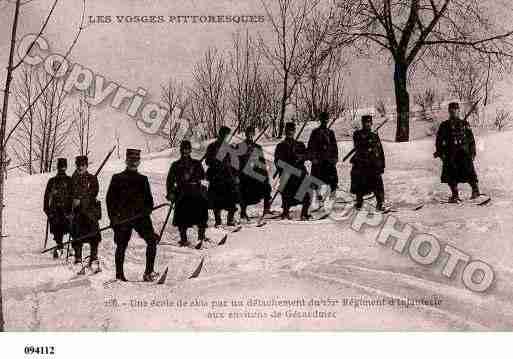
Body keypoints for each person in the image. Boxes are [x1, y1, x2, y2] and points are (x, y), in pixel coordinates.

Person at [106, 149, 160, 282]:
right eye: (131, 160)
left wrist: (147, 210)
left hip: (140, 217)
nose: (133, 163)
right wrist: (113, 219)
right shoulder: (117, 178)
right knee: (121, 245)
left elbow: (149, 201)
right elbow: (110, 201)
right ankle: (119, 276)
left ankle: (149, 272)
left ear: (139, 162)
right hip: (123, 218)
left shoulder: (143, 179)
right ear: (126, 161)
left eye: (136, 161)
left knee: (152, 240)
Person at [434, 102, 480, 202]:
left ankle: (475, 191)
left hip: (463, 152)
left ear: (458, 111)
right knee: (450, 174)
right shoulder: (444, 125)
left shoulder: (464, 124)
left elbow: (471, 140)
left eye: (455, 110)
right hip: (450, 153)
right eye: (451, 110)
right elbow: (439, 141)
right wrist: (440, 152)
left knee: (469, 172)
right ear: (449, 111)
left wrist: (472, 152)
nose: (453, 111)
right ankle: (455, 195)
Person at [166, 140, 209, 246]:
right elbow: (170, 181)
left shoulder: (197, 163)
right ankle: (183, 238)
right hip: (182, 193)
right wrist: (171, 193)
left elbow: (204, 179)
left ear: (190, 150)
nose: (185, 151)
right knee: (182, 217)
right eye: (183, 149)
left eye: (187, 149)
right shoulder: (175, 165)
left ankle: (201, 236)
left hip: (196, 192)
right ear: (181, 150)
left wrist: (203, 190)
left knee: (202, 215)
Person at [70, 155, 102, 273]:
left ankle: (93, 257)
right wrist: (73, 200)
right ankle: (78, 258)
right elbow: (69, 195)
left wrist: (81, 198)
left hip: (90, 212)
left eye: (83, 165)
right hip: (77, 213)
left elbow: (94, 193)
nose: (80, 167)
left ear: (86, 166)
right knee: (77, 235)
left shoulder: (92, 178)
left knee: (95, 235)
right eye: (78, 165)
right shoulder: (72, 179)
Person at [274, 122, 311, 220]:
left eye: (292, 130)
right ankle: (285, 212)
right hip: (288, 175)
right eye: (288, 130)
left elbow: (308, 155)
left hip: (300, 175)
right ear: (285, 132)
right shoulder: (280, 146)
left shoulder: (300, 144)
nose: (290, 132)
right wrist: (288, 164)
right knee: (286, 192)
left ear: (294, 131)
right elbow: (278, 162)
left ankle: (304, 214)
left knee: (306, 193)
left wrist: (300, 157)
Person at [236, 126, 273, 222]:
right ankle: (243, 213)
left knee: (266, 187)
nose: (250, 135)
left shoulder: (257, 147)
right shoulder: (240, 146)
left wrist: (265, 176)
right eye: (248, 133)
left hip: (255, 175)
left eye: (252, 133)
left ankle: (266, 210)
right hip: (243, 175)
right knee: (243, 191)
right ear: (245, 134)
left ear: (253, 134)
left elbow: (262, 163)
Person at [205, 126, 239, 227]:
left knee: (232, 198)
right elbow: (208, 161)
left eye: (227, 135)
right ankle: (218, 221)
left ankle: (230, 219)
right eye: (224, 135)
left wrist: (235, 174)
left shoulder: (230, 147)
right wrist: (217, 160)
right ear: (220, 135)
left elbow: (235, 163)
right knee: (216, 200)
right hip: (216, 175)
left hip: (228, 175)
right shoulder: (212, 147)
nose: (225, 137)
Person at [350, 115, 386, 211]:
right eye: (366, 122)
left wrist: (382, 164)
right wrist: (368, 138)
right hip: (362, 164)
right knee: (360, 184)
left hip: (374, 164)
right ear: (363, 123)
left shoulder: (374, 135)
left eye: (369, 122)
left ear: (371, 123)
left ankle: (380, 203)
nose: (368, 124)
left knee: (378, 184)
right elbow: (359, 146)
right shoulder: (357, 134)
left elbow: (380, 150)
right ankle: (359, 203)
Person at [307, 111, 339, 208]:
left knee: (333, 181)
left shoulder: (330, 133)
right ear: (320, 120)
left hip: (329, 162)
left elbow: (334, 147)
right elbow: (310, 147)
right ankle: (319, 201)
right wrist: (312, 158)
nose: (324, 121)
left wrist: (335, 158)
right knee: (317, 182)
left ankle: (332, 201)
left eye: (326, 120)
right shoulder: (315, 132)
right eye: (323, 120)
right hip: (318, 162)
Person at [43, 158, 72, 259]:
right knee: (57, 230)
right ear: (57, 168)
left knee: (69, 228)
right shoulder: (52, 181)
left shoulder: (69, 180)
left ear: (66, 168)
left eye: (63, 167)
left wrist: (72, 209)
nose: (62, 170)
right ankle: (59, 246)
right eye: (60, 167)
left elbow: (73, 195)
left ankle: (70, 248)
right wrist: (47, 210)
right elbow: (46, 197)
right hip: (55, 210)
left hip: (67, 210)